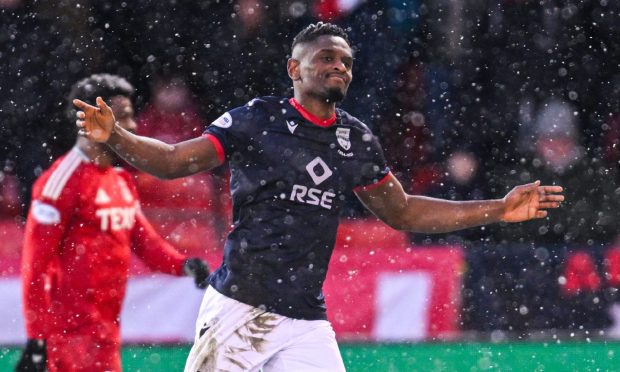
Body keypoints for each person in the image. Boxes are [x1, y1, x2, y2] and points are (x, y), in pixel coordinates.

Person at [73, 23, 564, 372]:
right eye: (326, 58)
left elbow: (404, 211)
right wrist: (116, 136)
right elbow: (174, 160)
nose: (339, 67)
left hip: (305, 315)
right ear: (294, 68)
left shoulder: (356, 138)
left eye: (346, 62)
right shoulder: (256, 119)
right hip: (240, 305)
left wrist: (498, 208)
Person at [18, 74, 210, 372]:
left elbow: (145, 244)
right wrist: (37, 340)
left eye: (130, 118)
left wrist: (183, 266)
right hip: (67, 339)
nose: (132, 128)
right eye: (121, 119)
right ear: (91, 122)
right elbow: (35, 268)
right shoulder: (60, 182)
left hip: (106, 334)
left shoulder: (120, 181)